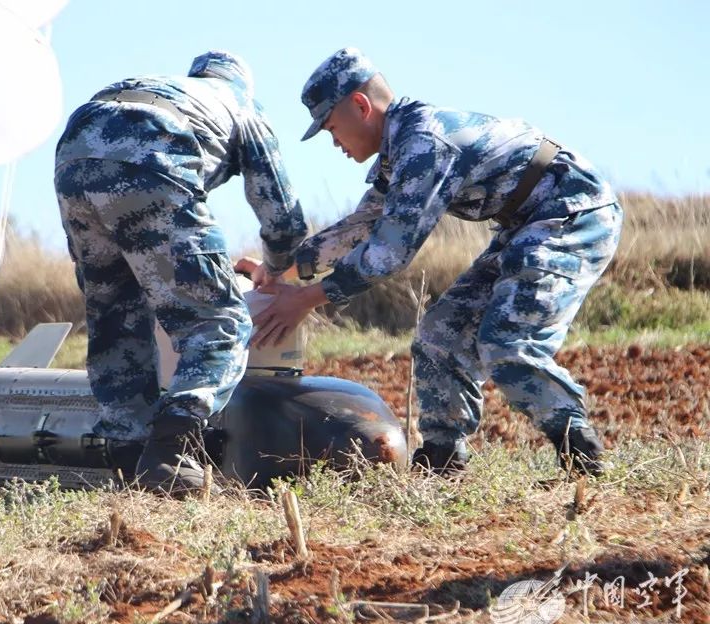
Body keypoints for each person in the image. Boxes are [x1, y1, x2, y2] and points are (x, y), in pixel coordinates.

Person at [245, 47, 622, 476]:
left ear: (361, 105)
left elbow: (389, 251)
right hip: (524, 224)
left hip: (571, 213)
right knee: (440, 336)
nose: (334, 143)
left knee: (507, 343)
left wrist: (308, 298)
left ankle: (582, 453)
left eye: (332, 128)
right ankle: (443, 458)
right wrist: (280, 270)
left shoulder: (425, 143)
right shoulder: (401, 150)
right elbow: (364, 225)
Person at [54, 51, 307, 492]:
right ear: (243, 82)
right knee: (221, 322)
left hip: (75, 149)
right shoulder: (241, 104)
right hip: (153, 149)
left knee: (117, 316)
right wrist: (274, 267)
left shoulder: (175, 89)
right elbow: (283, 217)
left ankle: (129, 454)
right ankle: (172, 451)